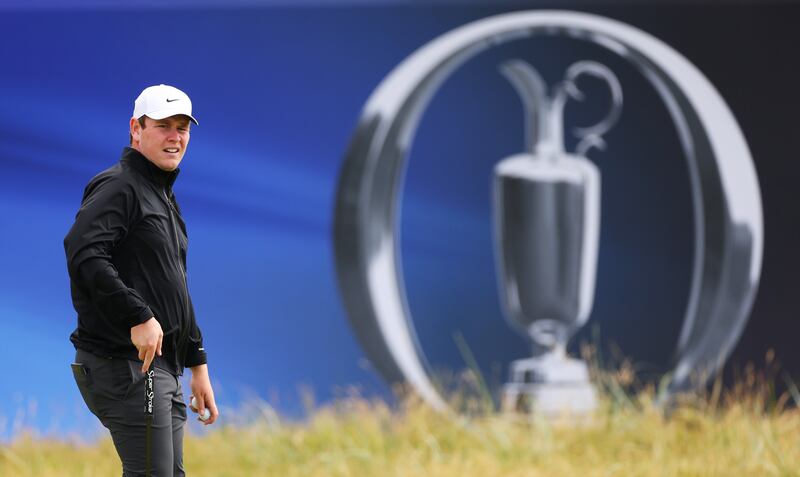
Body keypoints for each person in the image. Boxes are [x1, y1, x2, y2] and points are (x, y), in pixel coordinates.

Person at [65, 84, 218, 476]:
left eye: (182, 127)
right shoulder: (120, 186)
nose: (175, 137)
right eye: (164, 125)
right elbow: (84, 252)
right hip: (126, 364)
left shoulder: (162, 195)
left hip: (163, 368)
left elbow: (173, 286)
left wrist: (197, 363)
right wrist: (137, 315)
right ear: (136, 129)